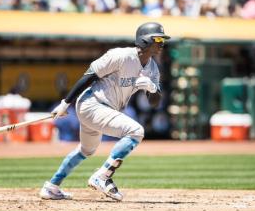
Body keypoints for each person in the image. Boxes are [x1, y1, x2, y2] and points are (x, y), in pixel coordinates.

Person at [39, 22, 170, 201]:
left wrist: (152, 88)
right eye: (158, 39)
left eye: (163, 39)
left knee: (86, 150)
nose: (162, 43)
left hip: (103, 109)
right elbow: (89, 76)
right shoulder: (120, 55)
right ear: (145, 40)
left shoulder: (152, 68)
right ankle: (102, 176)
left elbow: (154, 103)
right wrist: (65, 103)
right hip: (92, 104)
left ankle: (51, 187)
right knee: (136, 131)